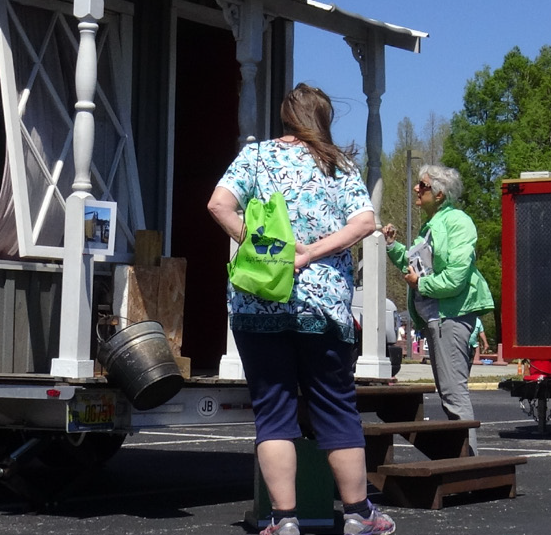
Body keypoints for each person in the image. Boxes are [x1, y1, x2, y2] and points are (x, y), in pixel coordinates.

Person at [206, 84, 396, 535]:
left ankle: (283, 520)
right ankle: (357, 514)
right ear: (323, 118)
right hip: (322, 307)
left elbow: (218, 204)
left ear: (286, 116)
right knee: (335, 407)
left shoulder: (255, 158)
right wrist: (310, 254)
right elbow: (365, 222)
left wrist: (260, 249)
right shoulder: (338, 164)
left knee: (273, 412)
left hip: (259, 305)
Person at [382, 164, 494, 453]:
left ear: (441, 194)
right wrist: (393, 246)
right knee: (449, 394)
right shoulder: (431, 226)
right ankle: (464, 463)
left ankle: (468, 467)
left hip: (452, 317)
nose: (417, 189)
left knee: (454, 394)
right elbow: (414, 265)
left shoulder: (458, 222)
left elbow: (456, 277)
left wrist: (421, 285)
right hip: (437, 317)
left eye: (423, 185)